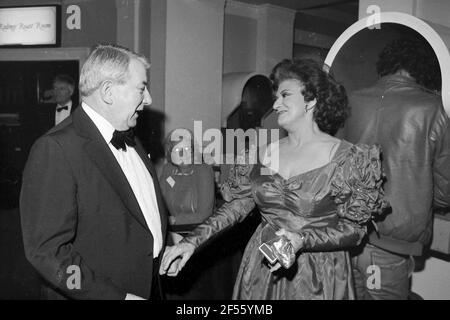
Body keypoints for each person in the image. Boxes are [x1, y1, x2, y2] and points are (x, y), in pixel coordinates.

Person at [160, 59, 388, 300]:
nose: (276, 104)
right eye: (276, 97)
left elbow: (354, 229)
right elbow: (238, 205)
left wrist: (304, 240)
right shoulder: (265, 152)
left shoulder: (347, 158)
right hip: (262, 268)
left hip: (318, 273)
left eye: (285, 95)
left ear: (312, 100)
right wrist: (192, 243)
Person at [20, 44, 167, 300]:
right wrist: (112, 297)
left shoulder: (131, 136)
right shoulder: (55, 148)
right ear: (109, 92)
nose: (149, 100)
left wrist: (162, 243)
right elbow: (47, 252)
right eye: (142, 88)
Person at [346, 37, 450, 300]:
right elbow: (444, 193)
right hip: (392, 244)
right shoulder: (432, 108)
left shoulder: (353, 99)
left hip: (348, 235)